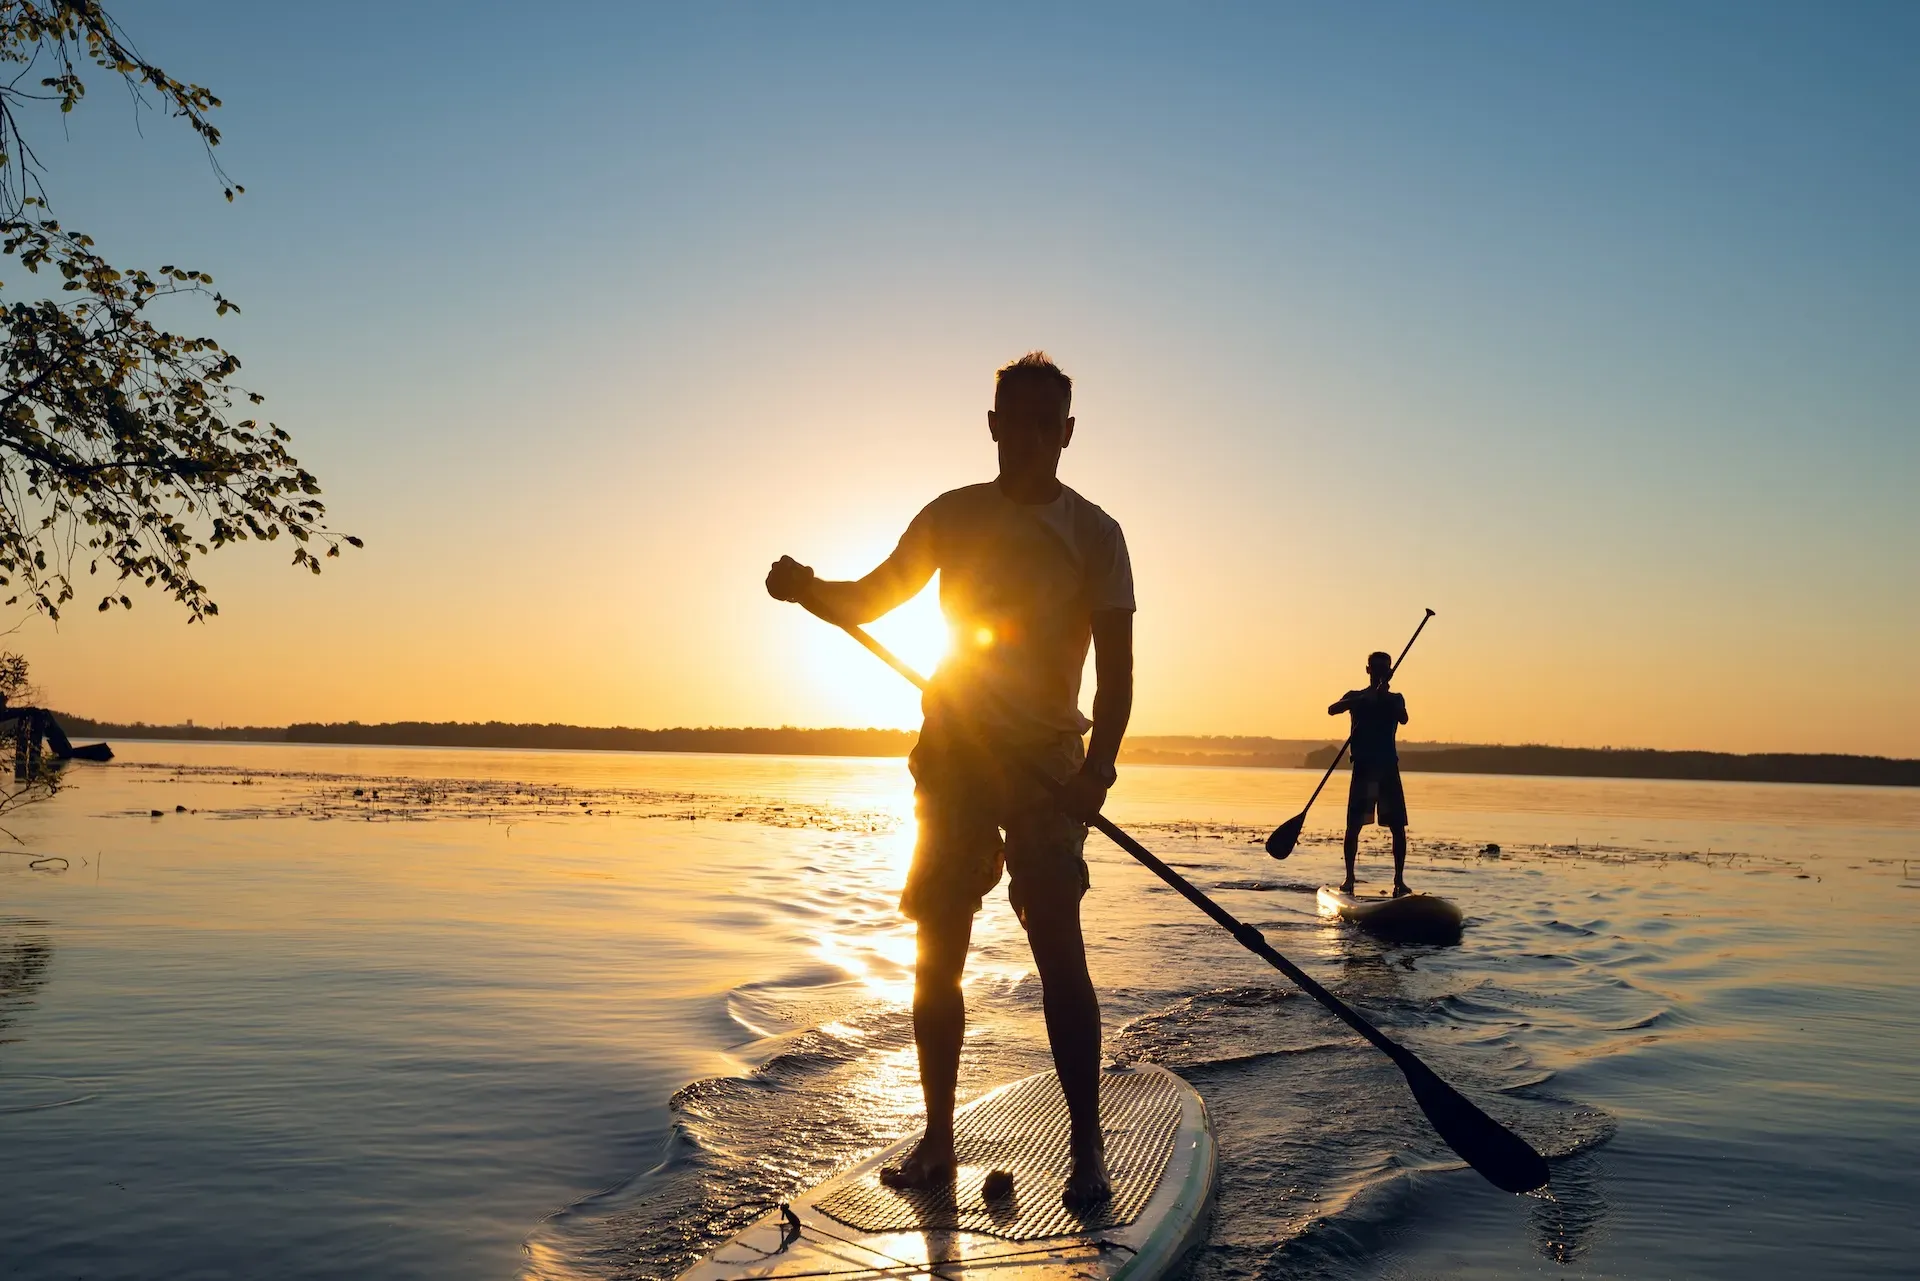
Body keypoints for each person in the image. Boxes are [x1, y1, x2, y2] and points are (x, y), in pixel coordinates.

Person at [765, 351, 1133, 1211]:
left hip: (1047, 767)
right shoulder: (951, 515)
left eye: (1052, 423)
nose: (1034, 436)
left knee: (1059, 956)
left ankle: (1088, 1151)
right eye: (1020, 419)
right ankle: (938, 1140)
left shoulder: (1097, 534)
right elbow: (868, 598)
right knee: (938, 952)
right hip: (956, 754)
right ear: (994, 423)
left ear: (1068, 434)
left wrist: (1098, 774)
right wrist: (806, 588)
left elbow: (1115, 677)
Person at [1329, 650, 1411, 897]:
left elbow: (1404, 718)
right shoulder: (1356, 696)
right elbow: (1333, 709)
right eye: (1375, 669)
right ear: (1368, 670)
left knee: (1397, 827)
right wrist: (1363, 700)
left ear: (1389, 672)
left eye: (1384, 669)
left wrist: (1383, 699)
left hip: (1388, 769)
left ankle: (1399, 880)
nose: (1379, 673)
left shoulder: (1395, 699)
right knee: (1353, 826)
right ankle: (1349, 879)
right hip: (1364, 769)